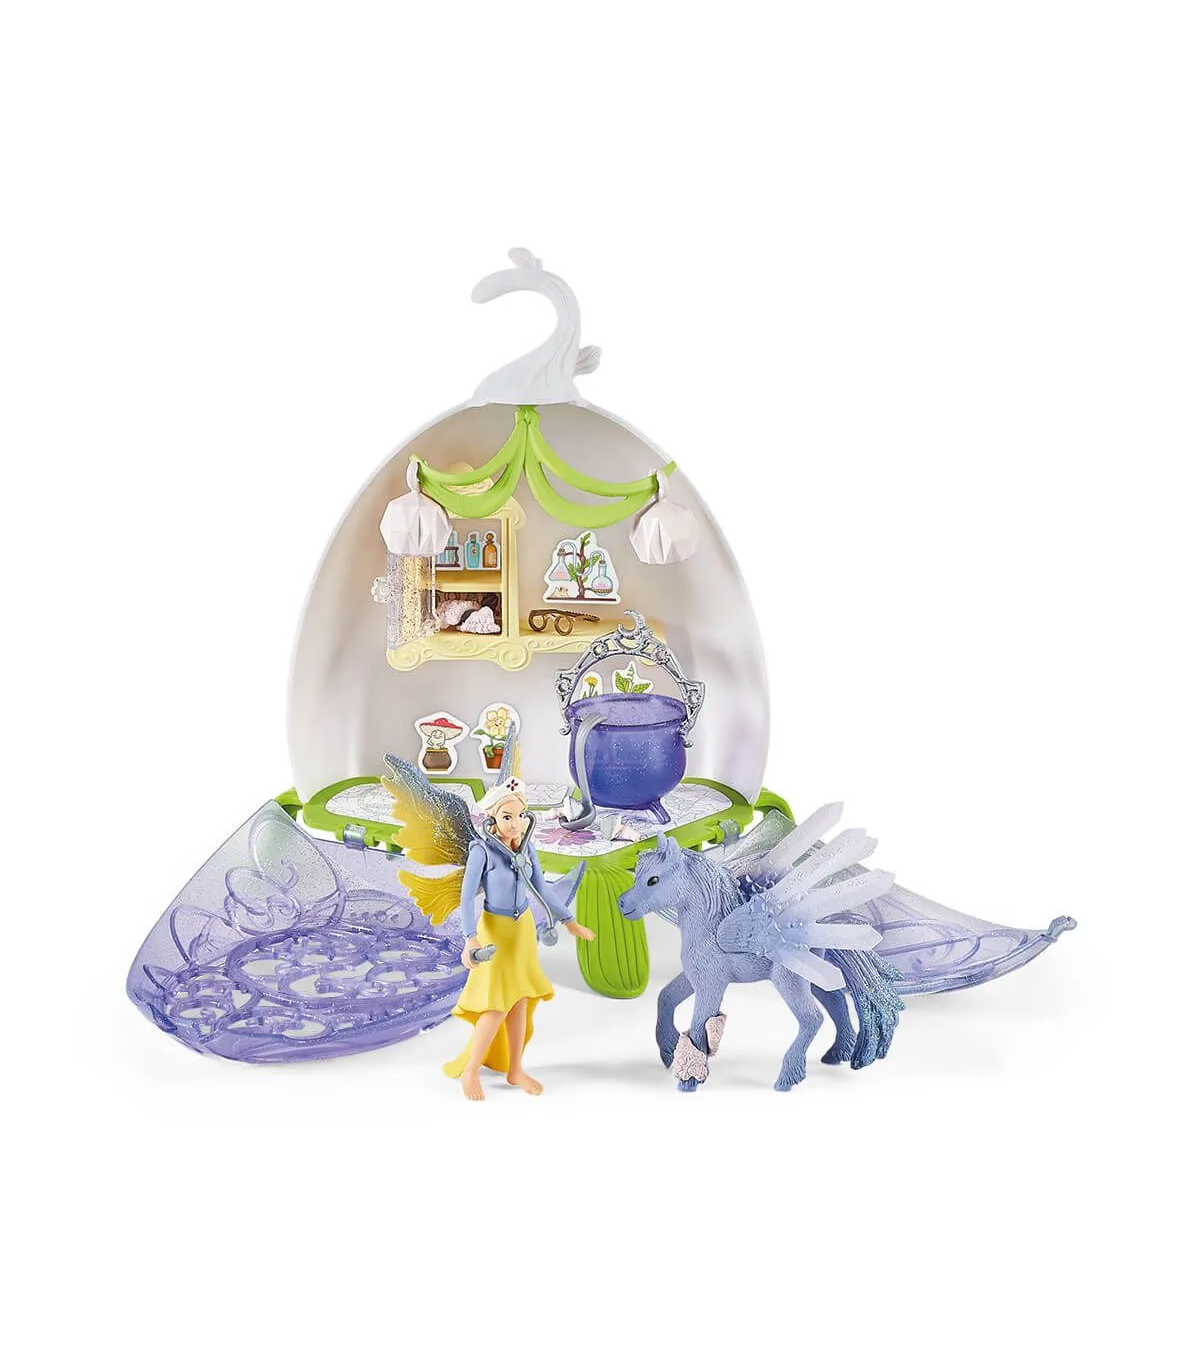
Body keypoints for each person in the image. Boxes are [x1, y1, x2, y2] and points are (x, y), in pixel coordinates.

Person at [444, 775, 594, 1100]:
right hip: (495, 932)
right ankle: (471, 1071)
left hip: (522, 931)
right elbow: (466, 897)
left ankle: (515, 1069)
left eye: (521, 815)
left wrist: (569, 921)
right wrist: (470, 938)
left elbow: (542, 888)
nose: (515, 824)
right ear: (492, 819)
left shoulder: (527, 847)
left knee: (521, 1001)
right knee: (496, 1004)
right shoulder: (482, 852)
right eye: (507, 817)